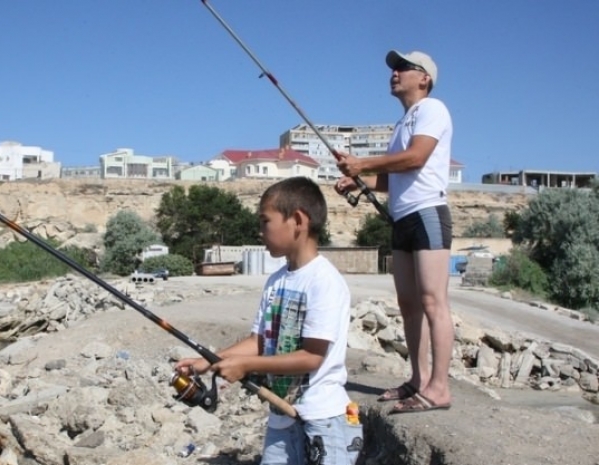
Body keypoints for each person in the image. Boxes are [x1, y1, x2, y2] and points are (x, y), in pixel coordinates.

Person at [175, 177, 362, 465]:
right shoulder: (276, 281)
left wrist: (246, 365)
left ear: (298, 220)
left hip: (324, 421)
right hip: (281, 419)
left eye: (265, 221)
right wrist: (209, 362)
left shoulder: (324, 281)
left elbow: (312, 357)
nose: (260, 231)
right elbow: (260, 341)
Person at [333, 50, 454, 414]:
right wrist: (359, 182)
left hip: (427, 212)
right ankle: (418, 379)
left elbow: (416, 157)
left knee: (433, 301)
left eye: (403, 68)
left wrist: (362, 163)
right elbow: (391, 179)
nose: (395, 73)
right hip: (402, 218)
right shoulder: (403, 123)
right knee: (408, 304)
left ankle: (439, 388)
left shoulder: (433, 109)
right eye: (394, 68)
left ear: (424, 78)